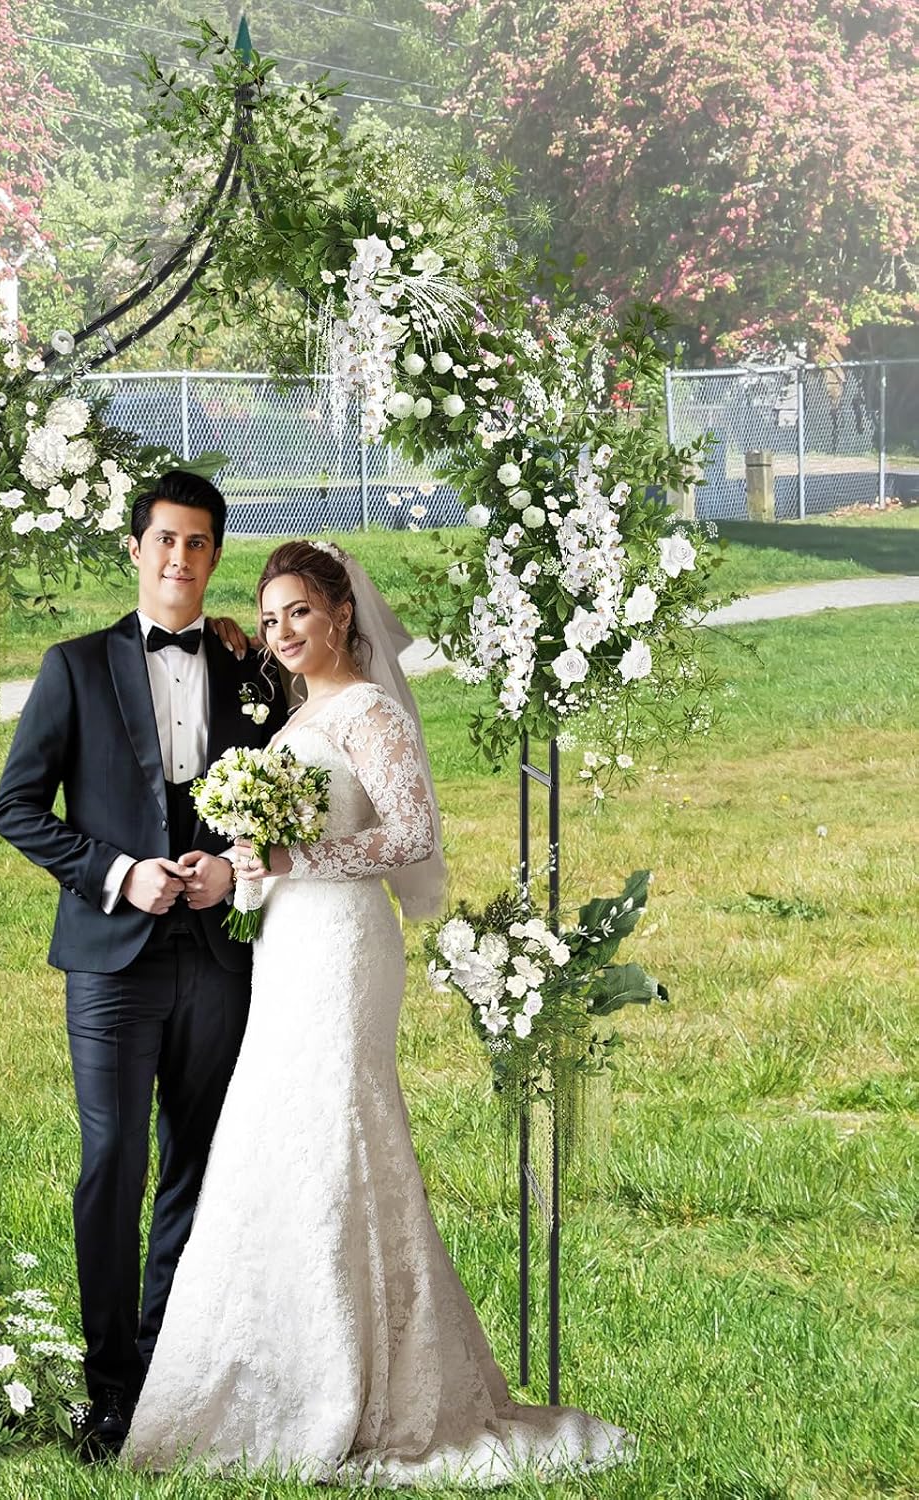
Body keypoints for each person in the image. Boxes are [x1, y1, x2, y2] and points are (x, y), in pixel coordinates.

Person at [125, 540, 636, 1487]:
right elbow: (281, 844)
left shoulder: (368, 711)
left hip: (347, 945)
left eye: (299, 616)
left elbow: (410, 836)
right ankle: (267, 1369)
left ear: (343, 614)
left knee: (340, 1124)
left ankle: (365, 1379)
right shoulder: (297, 710)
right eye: (271, 619)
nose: (282, 635)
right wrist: (234, 868)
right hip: (286, 942)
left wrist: (289, 863)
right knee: (278, 1129)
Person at [0, 471, 288, 1461]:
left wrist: (229, 871)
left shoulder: (249, 677)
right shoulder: (73, 667)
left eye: (199, 543)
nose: (180, 558)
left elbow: (283, 799)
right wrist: (118, 871)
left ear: (214, 556)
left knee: (197, 1164)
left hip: (214, 959)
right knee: (112, 1162)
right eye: (165, 539)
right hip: (111, 961)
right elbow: (17, 809)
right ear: (135, 548)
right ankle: (109, 1384)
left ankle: (170, 1369)